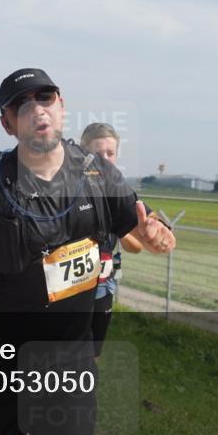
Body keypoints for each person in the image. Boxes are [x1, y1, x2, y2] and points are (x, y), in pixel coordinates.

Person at [0, 69, 175, 435]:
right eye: (22, 105)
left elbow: (142, 225)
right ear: (7, 123)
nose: (37, 111)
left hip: (68, 357)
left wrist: (158, 235)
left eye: (45, 99)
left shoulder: (98, 175)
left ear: (61, 106)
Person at [79, 123, 142, 358]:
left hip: (104, 287)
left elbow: (135, 246)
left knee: (93, 354)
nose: (104, 159)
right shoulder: (69, 190)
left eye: (110, 153)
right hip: (72, 290)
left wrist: (123, 228)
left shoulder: (119, 195)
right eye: (97, 153)